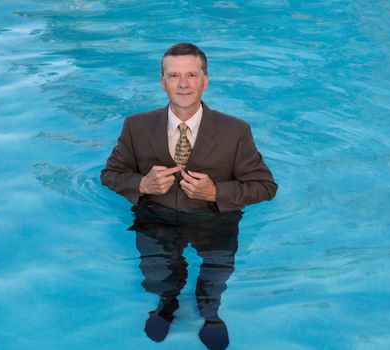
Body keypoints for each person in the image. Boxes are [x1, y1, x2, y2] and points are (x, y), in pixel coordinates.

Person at [101, 43, 278, 349]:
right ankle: (166, 304)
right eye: (174, 76)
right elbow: (110, 175)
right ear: (162, 81)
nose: (183, 84)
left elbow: (265, 186)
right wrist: (142, 185)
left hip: (215, 218)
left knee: (216, 273)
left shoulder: (235, 131)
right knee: (155, 275)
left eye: (191, 75)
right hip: (156, 217)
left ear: (205, 80)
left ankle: (210, 312)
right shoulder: (135, 126)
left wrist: (217, 192)